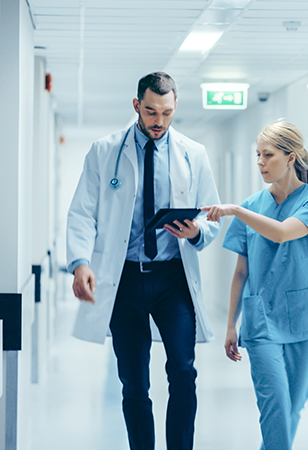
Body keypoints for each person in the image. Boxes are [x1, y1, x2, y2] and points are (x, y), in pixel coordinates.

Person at [66, 72, 222, 450]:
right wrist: (81, 262)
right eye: (151, 112)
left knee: (183, 371)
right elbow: (82, 213)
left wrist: (196, 232)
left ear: (175, 108)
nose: (158, 121)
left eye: (166, 113)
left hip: (172, 278)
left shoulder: (193, 153)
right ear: (137, 106)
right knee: (134, 382)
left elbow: (211, 215)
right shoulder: (105, 152)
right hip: (125, 280)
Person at [203, 121, 308, 450]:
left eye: (268, 155)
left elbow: (281, 232)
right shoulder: (252, 205)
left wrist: (235, 210)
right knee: (275, 408)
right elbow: (241, 272)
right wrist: (230, 326)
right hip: (261, 317)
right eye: (257, 155)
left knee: (292, 407)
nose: (260, 162)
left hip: (306, 316)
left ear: (291, 157)